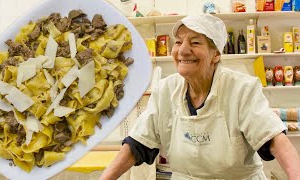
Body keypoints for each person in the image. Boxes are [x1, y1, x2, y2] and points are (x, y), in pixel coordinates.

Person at [100, 14, 300, 179]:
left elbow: (274, 140)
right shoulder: (165, 90)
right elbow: (137, 144)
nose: (183, 51)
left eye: (195, 42)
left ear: (216, 55)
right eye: (178, 42)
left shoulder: (241, 88)